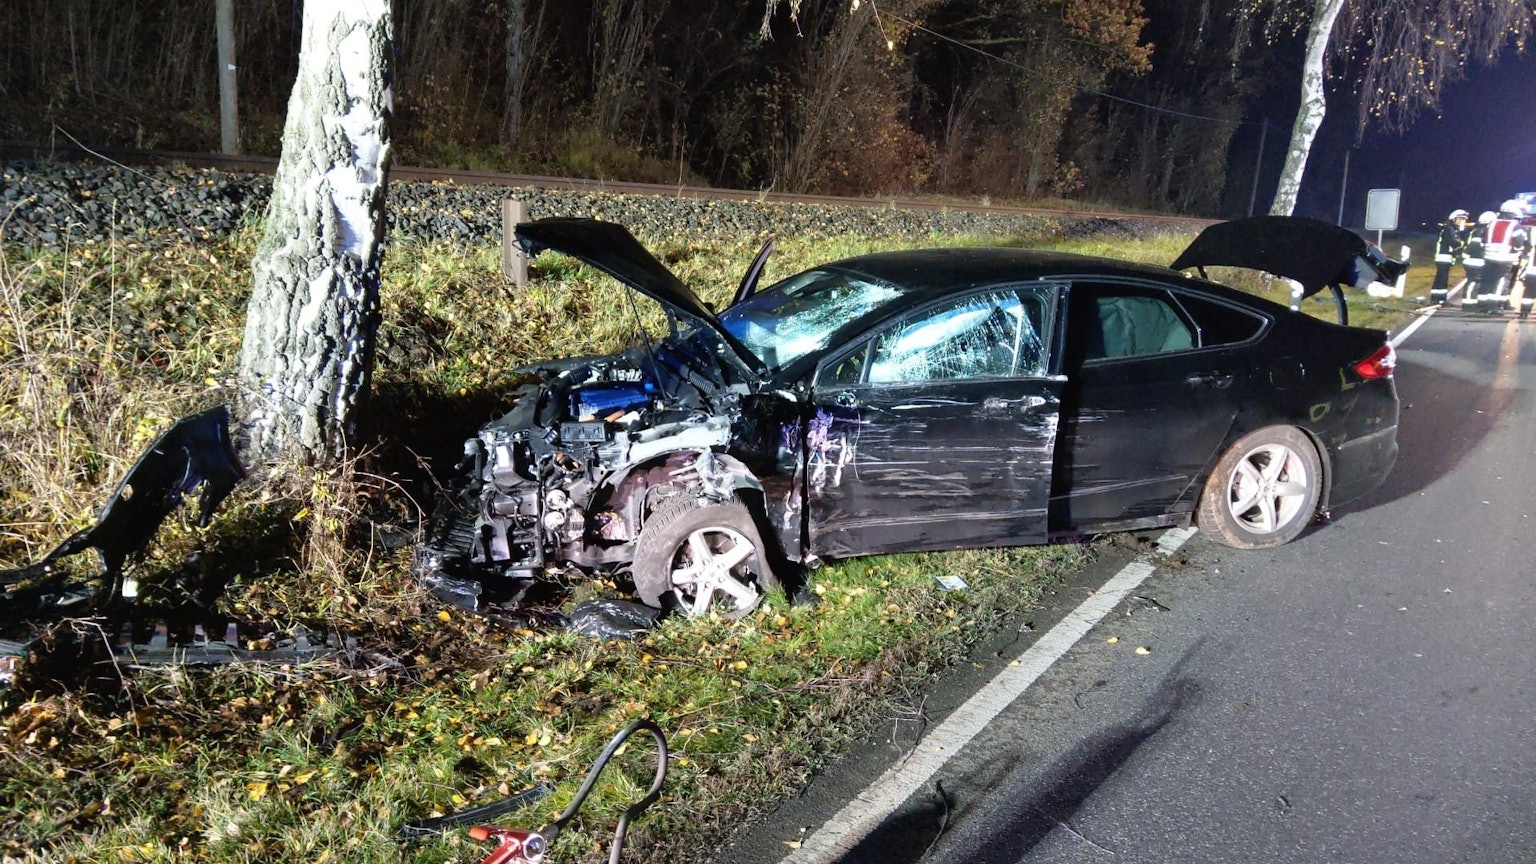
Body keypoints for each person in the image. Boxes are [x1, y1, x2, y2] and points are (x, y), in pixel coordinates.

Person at [1479, 200, 1526, 312]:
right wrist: (1518, 252)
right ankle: (1493, 307)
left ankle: (1482, 306)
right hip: (1504, 259)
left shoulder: (1491, 223)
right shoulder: (1515, 226)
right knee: (1499, 282)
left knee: (1487, 281)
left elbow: (1482, 240)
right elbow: (1519, 243)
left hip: (1488, 258)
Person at [1430, 209, 1469, 304]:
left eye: (1463, 219)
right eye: (1460, 219)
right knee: (1442, 278)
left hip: (1446, 257)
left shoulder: (1452, 230)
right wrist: (1462, 245)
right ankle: (1440, 299)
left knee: (1440, 278)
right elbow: (1454, 243)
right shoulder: (1449, 229)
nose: (1462, 221)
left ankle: (1436, 298)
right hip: (1444, 257)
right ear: (1453, 219)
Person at [1461, 211, 1493, 306]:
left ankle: (1473, 302)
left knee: (1475, 281)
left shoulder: (1476, 231)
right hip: (1475, 261)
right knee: (1473, 281)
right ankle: (1468, 303)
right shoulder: (1482, 232)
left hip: (1474, 260)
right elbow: (1473, 246)